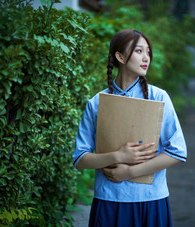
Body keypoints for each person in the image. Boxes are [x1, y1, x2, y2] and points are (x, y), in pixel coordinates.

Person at [72, 29, 187, 227]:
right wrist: (119, 156)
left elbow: (177, 152)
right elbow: (80, 159)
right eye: (139, 51)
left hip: (151, 201)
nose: (146, 58)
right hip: (109, 201)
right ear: (120, 56)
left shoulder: (159, 97)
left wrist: (129, 172)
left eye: (148, 52)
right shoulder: (97, 102)